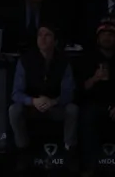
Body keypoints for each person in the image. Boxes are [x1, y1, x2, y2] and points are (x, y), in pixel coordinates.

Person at [8, 25, 79, 153]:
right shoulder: (25, 60)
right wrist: (33, 101)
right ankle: (22, 150)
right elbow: (16, 93)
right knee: (14, 110)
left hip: (55, 106)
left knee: (72, 109)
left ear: (55, 40)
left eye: (47, 35)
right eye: (40, 35)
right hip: (32, 107)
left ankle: (70, 150)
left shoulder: (63, 61)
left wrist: (53, 101)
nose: (43, 39)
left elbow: (69, 93)